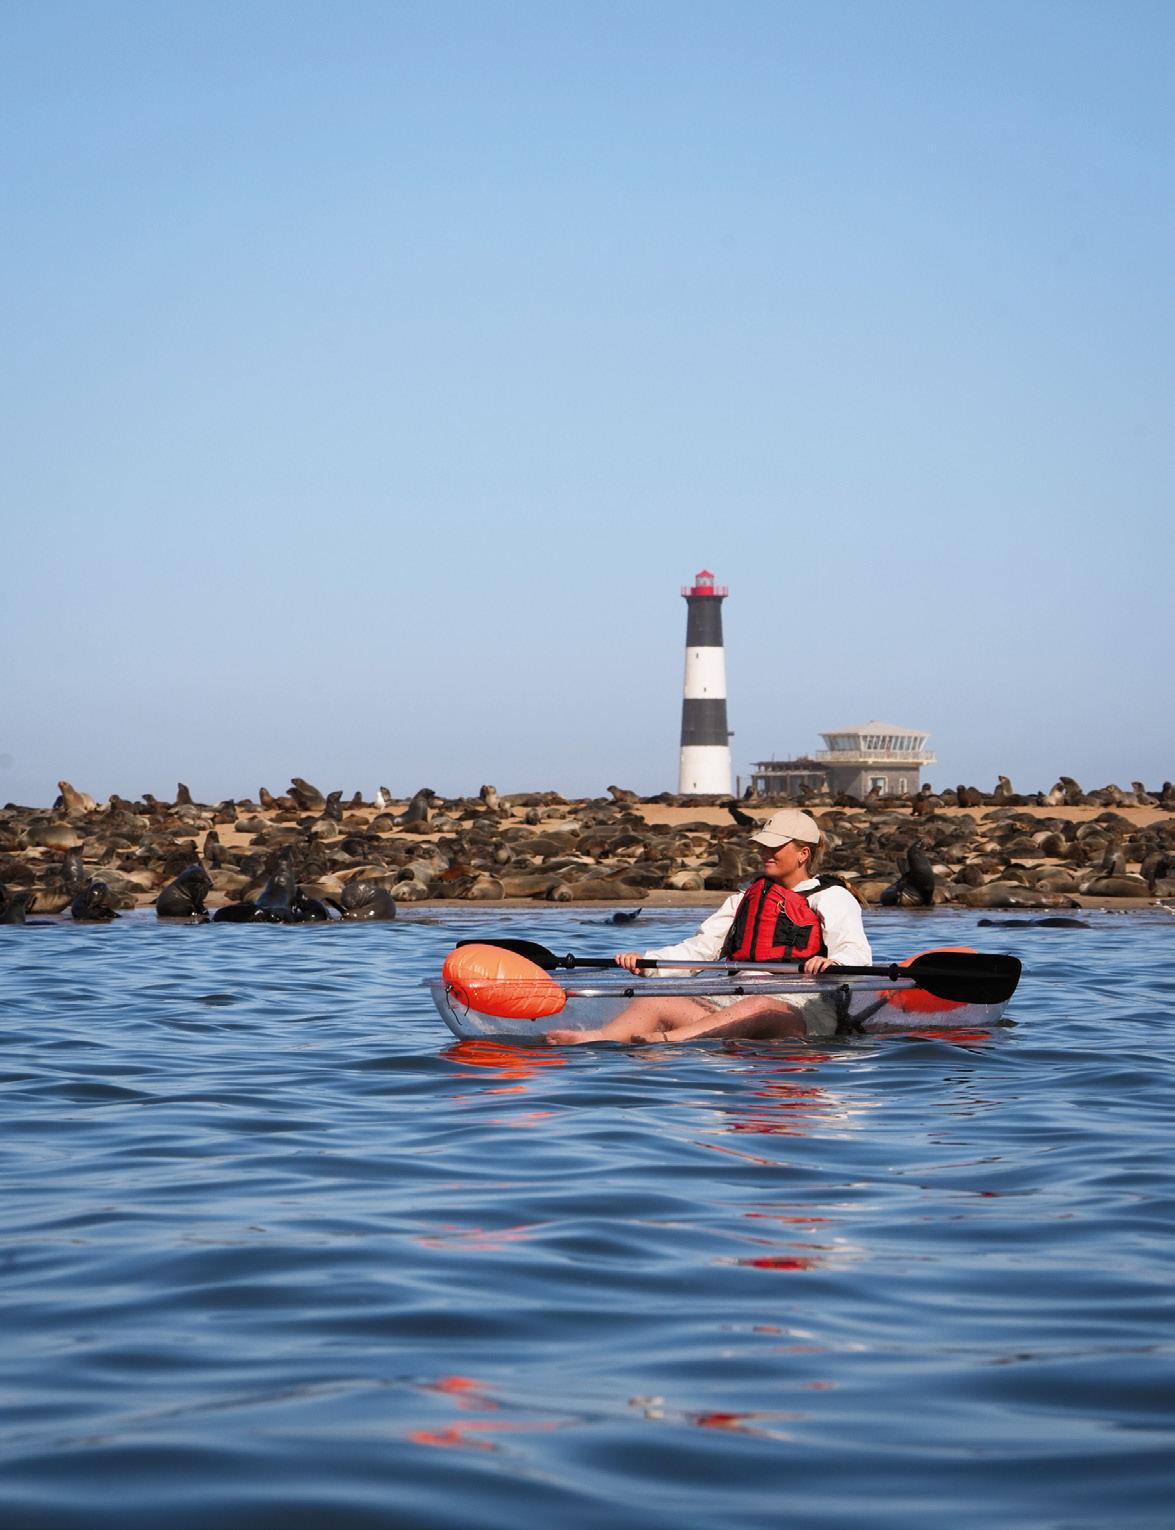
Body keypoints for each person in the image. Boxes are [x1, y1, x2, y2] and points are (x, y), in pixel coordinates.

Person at [546, 809, 871, 1045]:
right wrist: (647, 962)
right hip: (733, 1001)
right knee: (655, 999)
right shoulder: (743, 898)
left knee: (758, 1005)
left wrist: (834, 963)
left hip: (803, 1012)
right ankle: (599, 1039)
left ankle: (669, 1041)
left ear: (803, 853)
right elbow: (700, 949)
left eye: (775, 847)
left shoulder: (832, 897)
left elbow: (856, 953)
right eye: (763, 845)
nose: (765, 853)